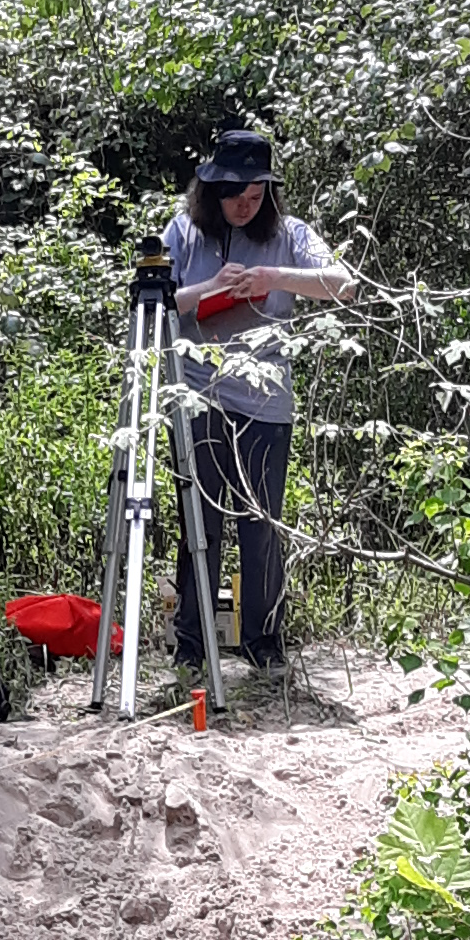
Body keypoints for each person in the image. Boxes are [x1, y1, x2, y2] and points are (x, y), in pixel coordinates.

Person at [163, 127, 353, 672]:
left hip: (267, 404)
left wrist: (273, 277)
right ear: (212, 192)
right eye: (234, 195)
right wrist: (212, 288)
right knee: (199, 522)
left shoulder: (290, 233)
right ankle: (193, 646)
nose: (244, 206)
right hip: (198, 398)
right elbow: (153, 299)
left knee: (261, 522)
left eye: (255, 196)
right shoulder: (183, 232)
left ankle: (263, 643)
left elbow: (344, 282)